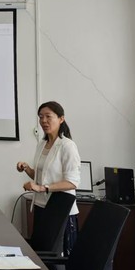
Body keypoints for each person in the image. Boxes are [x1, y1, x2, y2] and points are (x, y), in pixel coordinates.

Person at [16, 101, 81, 256]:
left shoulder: (67, 146)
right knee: (41, 253)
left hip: (60, 209)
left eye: (48, 116)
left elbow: (72, 182)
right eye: (40, 117)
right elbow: (42, 177)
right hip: (41, 205)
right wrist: (27, 168)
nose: (43, 121)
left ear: (61, 119)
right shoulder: (42, 144)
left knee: (57, 257)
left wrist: (42, 188)